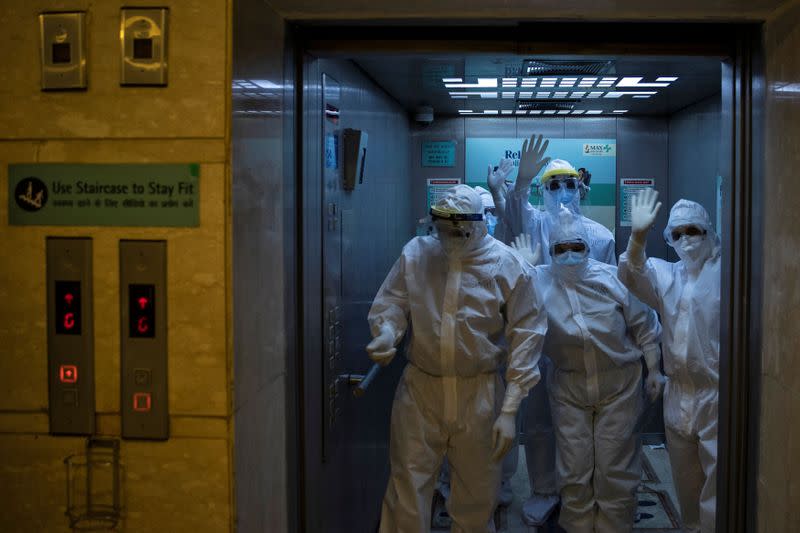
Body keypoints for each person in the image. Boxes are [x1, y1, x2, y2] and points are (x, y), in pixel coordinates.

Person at [367, 185, 548, 532]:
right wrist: (387, 332)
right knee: (407, 489)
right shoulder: (417, 254)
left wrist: (510, 408)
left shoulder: (507, 264)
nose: (449, 237)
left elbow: (528, 333)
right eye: (443, 228)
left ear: (479, 224)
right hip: (421, 390)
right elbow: (393, 302)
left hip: (479, 394)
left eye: (458, 229)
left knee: (476, 496)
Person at [486, 134, 617, 525]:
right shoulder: (536, 222)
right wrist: (520, 184)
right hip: (539, 339)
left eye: (568, 183)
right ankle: (545, 489)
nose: (561, 191)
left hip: (584, 341)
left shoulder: (600, 236)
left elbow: (612, 288)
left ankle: (583, 488)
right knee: (541, 419)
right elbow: (513, 216)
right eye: (553, 184)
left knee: (585, 425)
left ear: (581, 187)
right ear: (544, 191)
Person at [515, 208, 664, 532]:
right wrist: (520, 272)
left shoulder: (611, 278)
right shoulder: (538, 280)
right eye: (560, 249)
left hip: (620, 386)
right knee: (573, 467)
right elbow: (517, 318)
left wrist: (654, 369)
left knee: (616, 468)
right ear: (551, 250)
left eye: (576, 247)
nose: (569, 255)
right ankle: (578, 525)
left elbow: (644, 324)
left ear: (588, 247)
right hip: (570, 388)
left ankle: (615, 526)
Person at [618, 189, 720, 533]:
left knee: (717, 488)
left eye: (692, 230)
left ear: (708, 231)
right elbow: (630, 273)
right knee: (686, 482)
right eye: (676, 234)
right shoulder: (667, 275)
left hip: (716, 396)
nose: (685, 239)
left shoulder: (727, 274)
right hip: (677, 395)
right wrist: (638, 236)